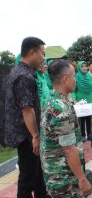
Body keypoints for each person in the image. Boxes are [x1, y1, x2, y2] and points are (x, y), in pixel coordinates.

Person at [40, 59, 92, 197]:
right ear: (66, 79)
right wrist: (82, 179)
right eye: (74, 76)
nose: (75, 80)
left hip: (54, 173)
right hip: (63, 178)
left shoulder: (52, 99)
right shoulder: (61, 109)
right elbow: (69, 149)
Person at [4, 37, 47, 197]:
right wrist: (35, 136)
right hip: (26, 136)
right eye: (42, 54)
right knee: (28, 179)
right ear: (32, 53)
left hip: (23, 133)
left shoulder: (18, 72)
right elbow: (27, 109)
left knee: (37, 175)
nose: (44, 58)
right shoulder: (24, 76)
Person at [73, 61, 92, 142]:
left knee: (89, 117)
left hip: (89, 98)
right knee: (82, 118)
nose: (84, 68)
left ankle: (89, 134)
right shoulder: (76, 77)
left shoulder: (89, 76)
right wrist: (74, 99)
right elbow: (73, 90)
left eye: (85, 66)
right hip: (80, 99)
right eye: (82, 66)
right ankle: (83, 135)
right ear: (79, 68)